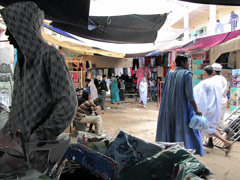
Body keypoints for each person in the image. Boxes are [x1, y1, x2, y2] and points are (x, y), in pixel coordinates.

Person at [0, 2, 77, 141]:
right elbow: (18, 111)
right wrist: (6, 135)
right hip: (19, 146)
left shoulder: (50, 57)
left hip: (39, 148)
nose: (6, 33)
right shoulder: (21, 64)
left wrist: (40, 135)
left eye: (10, 28)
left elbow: (68, 104)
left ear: (23, 29)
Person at [155, 55, 204, 156]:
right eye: (187, 62)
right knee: (184, 130)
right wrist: (197, 109)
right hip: (181, 109)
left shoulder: (170, 73)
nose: (189, 64)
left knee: (170, 128)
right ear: (182, 63)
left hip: (168, 108)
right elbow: (190, 95)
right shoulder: (187, 74)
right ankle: (184, 151)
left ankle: (169, 149)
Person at [193, 66, 232, 154]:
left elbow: (199, 96)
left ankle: (197, 147)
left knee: (203, 127)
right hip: (216, 108)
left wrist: (198, 109)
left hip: (206, 108)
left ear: (205, 72)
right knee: (209, 128)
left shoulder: (204, 83)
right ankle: (226, 142)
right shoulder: (219, 82)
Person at [212, 63, 228, 130]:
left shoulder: (214, 79)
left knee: (214, 121)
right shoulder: (223, 78)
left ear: (214, 71)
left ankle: (225, 131)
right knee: (220, 119)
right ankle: (225, 131)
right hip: (223, 100)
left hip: (216, 101)